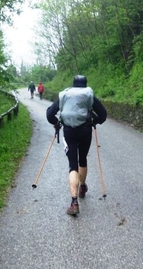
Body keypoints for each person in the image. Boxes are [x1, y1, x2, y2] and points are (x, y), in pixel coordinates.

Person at [46, 75, 107, 216]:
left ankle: (74, 203)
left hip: (69, 131)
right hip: (85, 130)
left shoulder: (64, 95)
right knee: (83, 159)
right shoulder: (88, 95)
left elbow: (50, 114)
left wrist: (57, 122)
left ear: (73, 85)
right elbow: (103, 114)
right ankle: (82, 187)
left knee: (72, 164)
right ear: (85, 85)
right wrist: (94, 121)